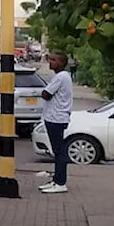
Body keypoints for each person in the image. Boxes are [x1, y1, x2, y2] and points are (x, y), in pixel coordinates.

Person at [40, 51, 74, 194]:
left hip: (56, 118)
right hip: (55, 117)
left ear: (61, 62)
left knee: (59, 152)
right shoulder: (63, 76)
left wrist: (44, 92)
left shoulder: (60, 77)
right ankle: (56, 179)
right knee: (57, 151)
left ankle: (61, 183)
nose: (50, 62)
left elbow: (46, 94)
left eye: (54, 60)